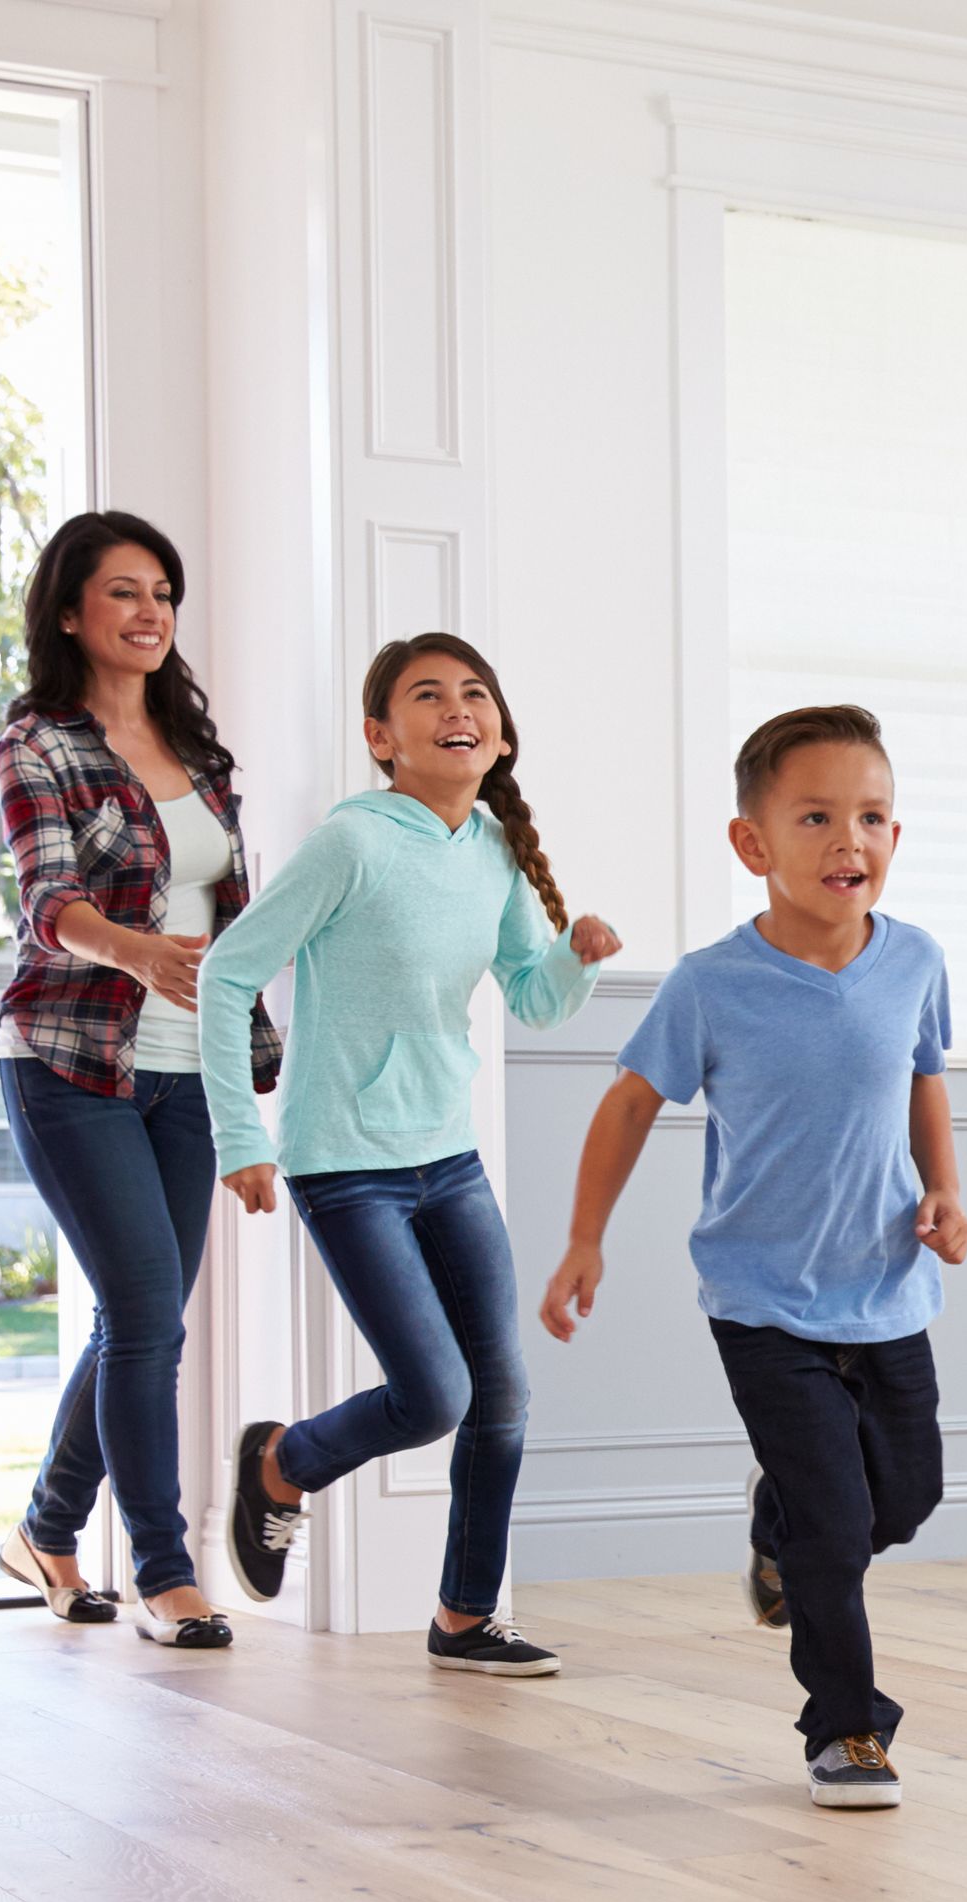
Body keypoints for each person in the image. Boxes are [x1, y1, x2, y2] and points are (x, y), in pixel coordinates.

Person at [537, 705, 967, 1810]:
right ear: (752, 845)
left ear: (895, 836)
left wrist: (946, 1193)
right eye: (816, 816)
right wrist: (585, 1238)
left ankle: (775, 1525)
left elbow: (923, 1078)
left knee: (902, 1499)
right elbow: (629, 1105)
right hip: (762, 1301)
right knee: (836, 1528)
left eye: (870, 817)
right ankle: (847, 1729)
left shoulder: (914, 960)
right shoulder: (710, 984)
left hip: (885, 1291)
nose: (848, 842)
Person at [204, 634, 622, 1671]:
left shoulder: (491, 850)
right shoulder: (350, 844)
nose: (456, 707)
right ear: (381, 738)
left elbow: (530, 995)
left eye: (474, 691)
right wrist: (237, 1135)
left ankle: (465, 1617)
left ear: (500, 733)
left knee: (503, 1396)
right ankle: (280, 1464)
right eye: (426, 695)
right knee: (434, 1394)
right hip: (342, 1160)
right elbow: (225, 974)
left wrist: (576, 957)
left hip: (448, 1153)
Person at [0, 512, 279, 1649]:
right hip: (72, 1060)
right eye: (122, 592)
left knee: (138, 1320)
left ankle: (46, 1534)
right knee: (149, 1320)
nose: (150, 610)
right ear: (70, 613)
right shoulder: (38, 744)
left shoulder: (200, 758)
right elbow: (47, 899)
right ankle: (165, 1570)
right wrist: (137, 950)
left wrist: (246, 1069)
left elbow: (236, 919)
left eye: (162, 591)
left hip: (188, 1076)